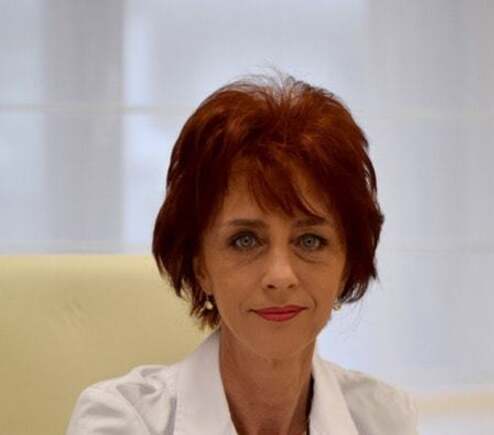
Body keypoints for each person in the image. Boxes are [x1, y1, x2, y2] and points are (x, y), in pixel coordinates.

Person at [66, 72, 419, 435]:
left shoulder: (384, 421)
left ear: (346, 264)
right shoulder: (122, 420)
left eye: (310, 241)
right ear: (200, 265)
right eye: (246, 240)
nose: (280, 276)